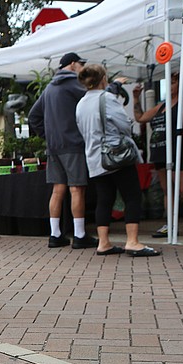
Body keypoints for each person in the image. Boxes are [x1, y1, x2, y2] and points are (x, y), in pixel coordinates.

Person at [76, 64, 161, 258]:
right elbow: (124, 124)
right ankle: (132, 241)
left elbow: (81, 129)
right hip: (116, 155)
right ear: (103, 79)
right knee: (132, 195)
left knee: (104, 198)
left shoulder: (81, 103)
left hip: (94, 157)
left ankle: (103, 243)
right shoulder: (107, 98)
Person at [28, 52, 98, 250]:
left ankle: (55, 234)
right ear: (73, 64)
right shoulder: (75, 84)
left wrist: (47, 136)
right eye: (81, 64)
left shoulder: (49, 88)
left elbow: (33, 116)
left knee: (57, 189)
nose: (83, 68)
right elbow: (93, 99)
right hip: (73, 145)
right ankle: (80, 235)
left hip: (54, 147)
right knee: (77, 188)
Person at [133, 71, 183, 240]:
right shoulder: (162, 106)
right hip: (160, 152)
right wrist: (136, 98)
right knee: (167, 190)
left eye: (173, 82)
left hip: (178, 151)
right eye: (169, 82)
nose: (170, 85)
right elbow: (141, 118)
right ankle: (170, 223)